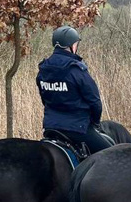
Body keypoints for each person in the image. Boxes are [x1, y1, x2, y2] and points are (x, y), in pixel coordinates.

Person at [37, 25, 112, 153]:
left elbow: (45, 100)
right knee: (112, 153)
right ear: (71, 46)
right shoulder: (76, 70)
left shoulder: (43, 70)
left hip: (51, 128)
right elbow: (95, 102)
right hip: (77, 128)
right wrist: (95, 122)